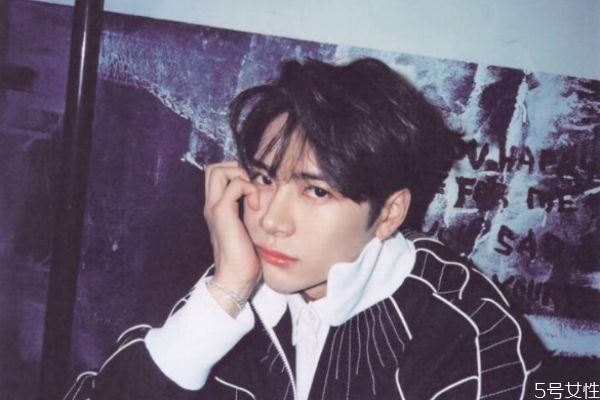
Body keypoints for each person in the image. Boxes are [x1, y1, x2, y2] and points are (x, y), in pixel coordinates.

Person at [64, 58, 543, 399]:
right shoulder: (235, 283)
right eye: (264, 178)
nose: (271, 220)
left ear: (389, 213)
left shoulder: (465, 332)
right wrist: (223, 296)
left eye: (316, 191)